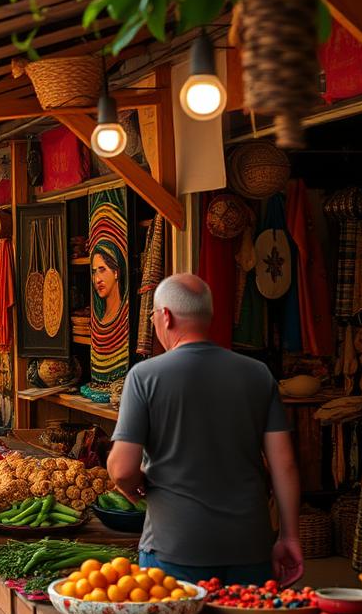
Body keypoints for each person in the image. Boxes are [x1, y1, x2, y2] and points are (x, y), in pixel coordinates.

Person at [108, 274, 302, 586]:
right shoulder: (258, 375)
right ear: (208, 317)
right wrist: (290, 537)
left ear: (166, 316)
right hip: (249, 546)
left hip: (174, 547)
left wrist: (132, 487)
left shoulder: (145, 376)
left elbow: (121, 468)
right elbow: (285, 464)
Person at [92, 243, 126, 327]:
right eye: (94, 272)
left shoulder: (124, 316)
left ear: (116, 273)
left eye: (102, 270)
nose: (97, 280)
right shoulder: (99, 318)